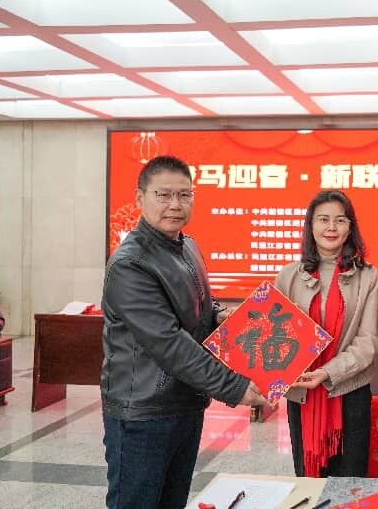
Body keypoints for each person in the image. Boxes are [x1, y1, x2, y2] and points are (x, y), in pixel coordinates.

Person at [101, 155, 268, 509]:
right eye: (163, 195)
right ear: (140, 197)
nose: (175, 205)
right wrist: (234, 386)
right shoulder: (130, 263)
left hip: (185, 404)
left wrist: (222, 316)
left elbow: (199, 306)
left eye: (184, 195)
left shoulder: (186, 246)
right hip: (143, 413)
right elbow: (168, 342)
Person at [277, 190, 378, 478]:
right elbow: (276, 335)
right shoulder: (288, 276)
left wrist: (327, 372)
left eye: (340, 220)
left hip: (349, 393)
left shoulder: (368, 276)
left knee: (349, 483)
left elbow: (368, 340)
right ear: (311, 226)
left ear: (350, 228)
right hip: (302, 393)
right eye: (323, 219)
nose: (331, 227)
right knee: (308, 482)